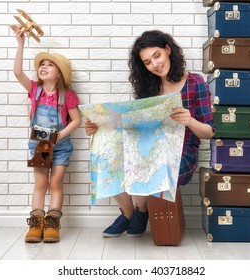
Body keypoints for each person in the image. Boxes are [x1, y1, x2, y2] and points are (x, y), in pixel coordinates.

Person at [85, 30, 214, 238]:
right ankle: (129, 214)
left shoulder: (195, 83)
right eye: (147, 62)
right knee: (106, 154)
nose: (155, 65)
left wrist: (189, 120)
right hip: (148, 148)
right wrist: (98, 128)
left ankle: (141, 210)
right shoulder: (148, 88)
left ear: (168, 50)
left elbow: (208, 132)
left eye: (157, 56)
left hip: (182, 154)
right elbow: (133, 129)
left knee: (146, 161)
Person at [13, 27, 81, 243]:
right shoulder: (35, 90)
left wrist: (60, 136)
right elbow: (17, 73)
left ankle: (52, 224)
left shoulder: (67, 95)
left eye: (50, 65)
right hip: (39, 146)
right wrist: (21, 43)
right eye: (42, 64)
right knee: (41, 184)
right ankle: (36, 224)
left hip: (60, 146)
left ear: (59, 73)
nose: (44, 67)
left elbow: (77, 121)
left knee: (55, 184)